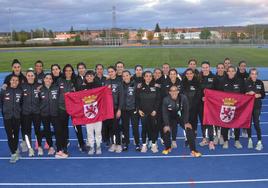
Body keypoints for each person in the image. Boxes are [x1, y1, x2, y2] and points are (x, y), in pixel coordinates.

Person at [162, 86, 202, 157]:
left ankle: (193, 150)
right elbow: (164, 113)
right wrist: (166, 124)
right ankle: (168, 147)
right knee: (166, 129)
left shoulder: (183, 98)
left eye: (175, 90)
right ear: (169, 92)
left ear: (178, 91)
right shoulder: (166, 100)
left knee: (189, 129)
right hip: (170, 117)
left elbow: (186, 110)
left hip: (180, 116)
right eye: (172, 91)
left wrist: (186, 122)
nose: (174, 92)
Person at [2, 59, 27, 153]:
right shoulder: (8, 77)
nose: (17, 68)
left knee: (24, 127)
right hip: (12, 109)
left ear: (20, 67)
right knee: (12, 132)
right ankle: (14, 149)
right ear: (12, 68)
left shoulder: (24, 77)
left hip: (23, 107)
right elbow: (4, 91)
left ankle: (24, 143)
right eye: (15, 67)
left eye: (18, 67)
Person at [39, 73, 63, 157]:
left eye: (50, 78)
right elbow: (38, 102)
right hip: (44, 114)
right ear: (44, 79)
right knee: (47, 131)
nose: (48, 80)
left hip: (55, 114)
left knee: (58, 131)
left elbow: (61, 99)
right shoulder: (40, 89)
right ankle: (51, 147)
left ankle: (59, 148)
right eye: (47, 78)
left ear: (52, 80)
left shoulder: (57, 88)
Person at [220, 66, 244, 149]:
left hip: (237, 107)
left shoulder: (240, 81)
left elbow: (243, 94)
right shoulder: (223, 81)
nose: (231, 72)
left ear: (235, 72)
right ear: (227, 72)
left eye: (232, 71)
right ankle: (226, 141)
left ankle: (236, 141)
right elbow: (219, 94)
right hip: (226, 107)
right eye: (229, 71)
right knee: (225, 124)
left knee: (237, 124)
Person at [21, 70, 44, 157]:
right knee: (27, 132)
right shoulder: (22, 86)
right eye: (28, 75)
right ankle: (30, 148)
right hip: (26, 113)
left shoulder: (39, 86)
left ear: (34, 77)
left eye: (32, 75)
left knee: (38, 131)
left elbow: (43, 98)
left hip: (37, 113)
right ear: (26, 77)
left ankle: (39, 147)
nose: (30, 77)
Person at [136, 71, 160, 153]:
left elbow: (158, 100)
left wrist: (155, 110)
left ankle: (153, 145)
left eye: (150, 76)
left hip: (152, 112)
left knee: (153, 128)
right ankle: (144, 145)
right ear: (144, 77)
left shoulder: (156, 86)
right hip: (143, 112)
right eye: (147, 76)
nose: (148, 77)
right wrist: (138, 110)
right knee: (144, 129)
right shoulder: (139, 87)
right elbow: (137, 100)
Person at [0, 75, 22, 163]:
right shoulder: (4, 91)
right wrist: (4, 112)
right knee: (10, 135)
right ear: (10, 81)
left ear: (18, 82)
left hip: (17, 117)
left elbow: (22, 103)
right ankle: (13, 153)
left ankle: (15, 149)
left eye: (16, 80)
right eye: (13, 80)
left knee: (16, 135)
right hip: (7, 117)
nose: (15, 81)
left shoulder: (20, 91)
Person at [80, 70, 102, 155]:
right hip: (87, 113)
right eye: (87, 76)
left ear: (93, 76)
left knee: (98, 131)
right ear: (85, 77)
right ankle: (92, 146)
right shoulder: (82, 87)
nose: (89, 77)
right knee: (89, 131)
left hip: (97, 112)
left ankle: (98, 146)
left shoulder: (98, 86)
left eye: (91, 76)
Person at [57, 64, 76, 156]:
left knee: (77, 126)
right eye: (66, 70)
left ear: (72, 71)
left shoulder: (75, 81)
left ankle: (81, 143)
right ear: (64, 72)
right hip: (62, 108)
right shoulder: (59, 80)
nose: (68, 72)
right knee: (63, 127)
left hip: (73, 108)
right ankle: (64, 145)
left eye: (70, 70)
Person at [160, 68, 182, 148]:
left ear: (176, 75)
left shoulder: (180, 83)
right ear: (169, 75)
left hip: (176, 108)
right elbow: (163, 95)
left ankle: (174, 140)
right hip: (167, 108)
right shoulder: (165, 83)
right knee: (166, 124)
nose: (172, 75)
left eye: (174, 74)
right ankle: (167, 140)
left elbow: (181, 95)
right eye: (171, 74)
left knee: (175, 124)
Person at [245, 68, 265, 150]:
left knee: (256, 123)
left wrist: (258, 95)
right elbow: (242, 94)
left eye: (255, 73)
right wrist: (247, 93)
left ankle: (259, 141)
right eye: (252, 73)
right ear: (250, 74)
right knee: (248, 123)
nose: (254, 75)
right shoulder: (246, 82)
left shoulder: (260, 82)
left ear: (257, 74)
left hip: (257, 106)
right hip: (248, 107)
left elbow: (263, 94)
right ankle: (249, 139)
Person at [105, 66, 124, 153]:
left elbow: (121, 97)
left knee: (116, 126)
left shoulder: (119, 82)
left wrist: (119, 109)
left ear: (115, 72)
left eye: (112, 71)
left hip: (116, 108)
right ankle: (113, 144)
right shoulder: (106, 82)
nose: (110, 73)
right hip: (108, 109)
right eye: (109, 72)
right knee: (111, 127)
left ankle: (119, 144)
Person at [121, 70, 140, 151]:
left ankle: (137, 143)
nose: (125, 77)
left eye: (127, 75)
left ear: (130, 76)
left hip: (133, 110)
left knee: (135, 127)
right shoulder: (120, 85)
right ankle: (126, 143)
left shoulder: (135, 85)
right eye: (124, 76)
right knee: (125, 128)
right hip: (124, 110)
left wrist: (137, 108)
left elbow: (138, 98)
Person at [198, 61, 215, 150]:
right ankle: (204, 139)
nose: (205, 69)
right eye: (203, 67)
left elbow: (217, 91)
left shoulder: (213, 77)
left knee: (210, 123)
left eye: (206, 67)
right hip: (201, 104)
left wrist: (209, 98)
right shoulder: (198, 77)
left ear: (209, 68)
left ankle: (211, 141)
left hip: (211, 105)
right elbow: (198, 91)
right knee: (203, 122)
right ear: (201, 68)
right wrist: (201, 98)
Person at [181, 68, 200, 141]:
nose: (189, 75)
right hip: (185, 107)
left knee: (194, 121)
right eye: (187, 74)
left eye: (190, 73)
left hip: (194, 107)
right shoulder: (182, 83)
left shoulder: (197, 83)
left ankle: (194, 135)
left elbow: (198, 95)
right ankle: (187, 138)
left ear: (193, 74)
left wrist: (193, 105)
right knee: (186, 122)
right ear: (185, 75)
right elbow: (181, 95)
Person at [73, 62, 87, 152]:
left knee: (90, 124)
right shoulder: (74, 79)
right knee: (77, 125)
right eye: (79, 68)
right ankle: (81, 143)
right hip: (77, 106)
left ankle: (90, 140)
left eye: (82, 68)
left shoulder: (89, 77)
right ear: (77, 70)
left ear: (85, 69)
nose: (81, 70)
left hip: (88, 106)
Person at [213, 63, 227, 145]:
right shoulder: (214, 78)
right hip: (215, 102)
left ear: (224, 69)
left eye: (222, 68)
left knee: (223, 118)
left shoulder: (227, 77)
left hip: (225, 102)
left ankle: (222, 135)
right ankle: (216, 135)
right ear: (216, 69)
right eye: (219, 68)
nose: (220, 69)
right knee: (215, 118)